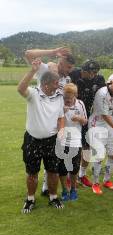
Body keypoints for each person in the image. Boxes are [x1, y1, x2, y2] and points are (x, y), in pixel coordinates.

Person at [25, 47, 75, 196]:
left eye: (71, 68)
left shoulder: (67, 79)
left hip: (55, 122)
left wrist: (66, 105)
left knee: (52, 161)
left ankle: (47, 188)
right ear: (60, 62)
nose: (69, 71)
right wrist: (52, 52)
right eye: (68, 67)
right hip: (41, 118)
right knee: (35, 164)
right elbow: (28, 54)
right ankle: (35, 193)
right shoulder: (46, 70)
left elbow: (63, 99)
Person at [18, 59, 65, 213]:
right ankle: (30, 199)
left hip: (52, 140)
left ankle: (53, 197)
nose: (58, 85)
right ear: (45, 84)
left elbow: (60, 117)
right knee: (32, 172)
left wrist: (62, 130)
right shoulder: (34, 93)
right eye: (55, 83)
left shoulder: (59, 96)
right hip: (33, 140)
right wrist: (32, 71)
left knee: (53, 171)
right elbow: (20, 89)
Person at [88, 76, 113, 194]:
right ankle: (95, 183)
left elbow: (112, 113)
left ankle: (107, 180)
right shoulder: (102, 93)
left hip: (110, 127)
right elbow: (105, 116)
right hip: (97, 126)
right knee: (99, 156)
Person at [70, 60, 106, 188]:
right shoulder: (74, 74)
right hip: (73, 116)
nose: (93, 75)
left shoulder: (99, 79)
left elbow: (104, 96)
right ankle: (69, 175)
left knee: (87, 147)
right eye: (91, 73)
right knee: (71, 147)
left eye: (95, 72)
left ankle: (81, 175)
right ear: (83, 71)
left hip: (89, 117)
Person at [58, 83, 87, 201]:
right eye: (65, 97)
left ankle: (74, 189)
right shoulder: (59, 103)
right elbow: (53, 121)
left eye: (69, 98)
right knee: (63, 168)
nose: (67, 100)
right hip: (61, 140)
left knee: (74, 168)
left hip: (75, 141)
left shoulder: (80, 104)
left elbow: (85, 121)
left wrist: (80, 118)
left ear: (75, 95)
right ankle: (65, 190)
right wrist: (62, 112)